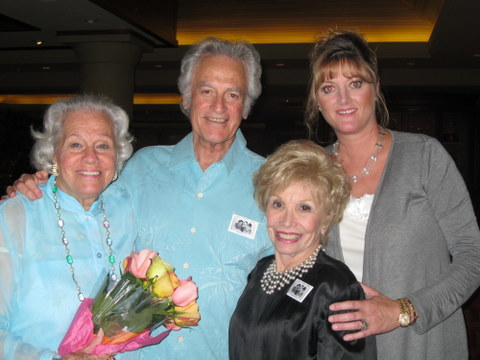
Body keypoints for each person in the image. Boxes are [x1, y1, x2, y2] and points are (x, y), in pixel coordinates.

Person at [5, 38, 273, 360]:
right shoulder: (141, 170)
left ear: (246, 106)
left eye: (233, 94)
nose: (218, 107)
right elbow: (80, 189)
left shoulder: (273, 183)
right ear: (186, 98)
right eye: (206, 91)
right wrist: (34, 184)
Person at [304, 29, 480, 359]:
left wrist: (403, 310)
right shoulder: (312, 172)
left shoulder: (424, 156)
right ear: (317, 100)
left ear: (376, 88)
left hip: (419, 345)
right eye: (329, 88)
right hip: (339, 349)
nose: (343, 100)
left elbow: (474, 256)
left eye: (355, 84)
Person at [0, 95, 137, 359]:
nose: (90, 157)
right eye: (76, 144)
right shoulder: (17, 215)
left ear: (118, 155)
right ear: (53, 153)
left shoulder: (129, 205)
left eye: (103, 146)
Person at [229, 140, 376, 359]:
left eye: (304, 208)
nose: (287, 221)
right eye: (278, 204)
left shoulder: (335, 286)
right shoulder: (260, 271)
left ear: (326, 218)